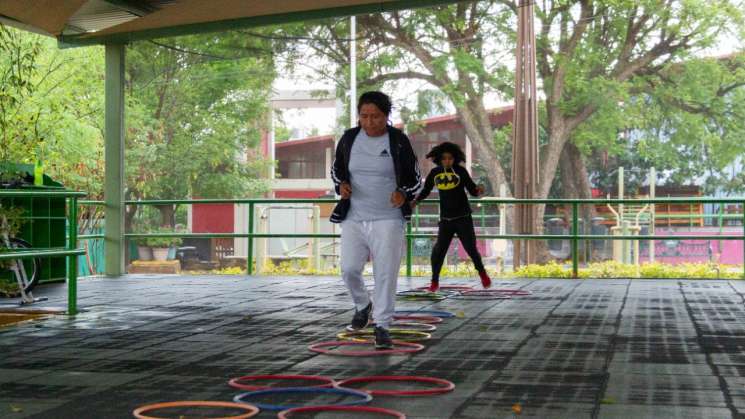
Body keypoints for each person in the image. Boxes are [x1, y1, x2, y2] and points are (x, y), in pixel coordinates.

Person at [330, 91, 422, 350]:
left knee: (385, 273)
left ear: (386, 116)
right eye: (364, 116)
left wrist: (402, 193)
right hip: (354, 217)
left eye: (376, 117)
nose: (369, 122)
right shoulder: (349, 138)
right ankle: (362, 304)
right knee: (348, 269)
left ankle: (382, 324)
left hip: (388, 218)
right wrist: (342, 185)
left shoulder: (398, 141)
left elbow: (416, 178)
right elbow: (336, 169)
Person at [412, 141, 492, 292]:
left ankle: (482, 273)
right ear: (439, 159)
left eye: (450, 158)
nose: (447, 161)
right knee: (438, 251)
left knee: (471, 249)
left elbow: (472, 190)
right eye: (444, 158)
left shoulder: (460, 172)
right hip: (446, 220)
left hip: (463, 218)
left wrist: (479, 190)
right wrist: (415, 202)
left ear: (455, 158)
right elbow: (426, 190)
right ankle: (434, 281)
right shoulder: (435, 173)